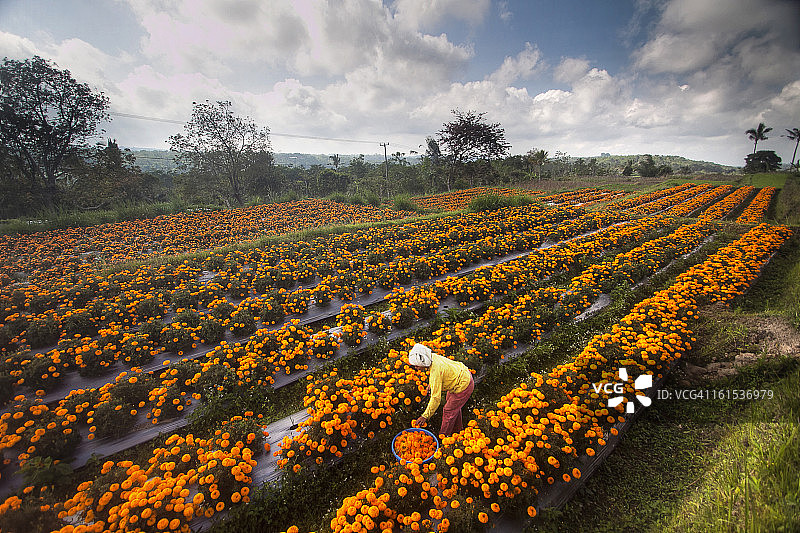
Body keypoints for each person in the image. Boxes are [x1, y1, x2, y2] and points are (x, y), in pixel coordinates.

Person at [408, 343, 474, 436]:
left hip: (463, 385)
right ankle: (458, 431)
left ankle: (444, 437)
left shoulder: (436, 372)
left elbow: (436, 398)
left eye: (417, 366)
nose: (416, 368)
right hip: (460, 376)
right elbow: (437, 374)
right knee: (453, 407)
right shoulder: (432, 357)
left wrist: (425, 416)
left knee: (448, 410)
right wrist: (431, 385)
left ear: (423, 362)